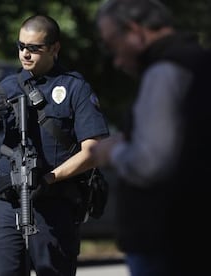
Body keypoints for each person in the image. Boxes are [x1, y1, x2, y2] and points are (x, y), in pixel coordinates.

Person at [0, 15, 109, 276]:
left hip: (53, 202)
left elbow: (94, 151)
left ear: (55, 48)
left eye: (34, 48)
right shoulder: (6, 87)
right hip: (8, 203)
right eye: (21, 46)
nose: (25, 54)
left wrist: (49, 179)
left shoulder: (74, 88)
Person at [91, 1, 211, 276]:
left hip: (167, 240)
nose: (116, 60)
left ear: (135, 31)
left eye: (113, 45)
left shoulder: (164, 72)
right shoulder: (197, 62)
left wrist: (114, 152)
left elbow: (150, 162)